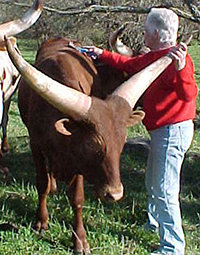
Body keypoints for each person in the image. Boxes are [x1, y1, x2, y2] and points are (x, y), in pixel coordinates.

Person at [84, 8, 198, 255]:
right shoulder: (156, 55)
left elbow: (189, 95)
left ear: (156, 33)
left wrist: (180, 70)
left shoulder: (179, 58)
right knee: (153, 181)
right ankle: (154, 223)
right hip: (162, 131)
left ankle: (173, 246)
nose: (144, 34)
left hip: (173, 131)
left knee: (165, 188)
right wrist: (101, 53)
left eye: (146, 30)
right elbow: (131, 63)